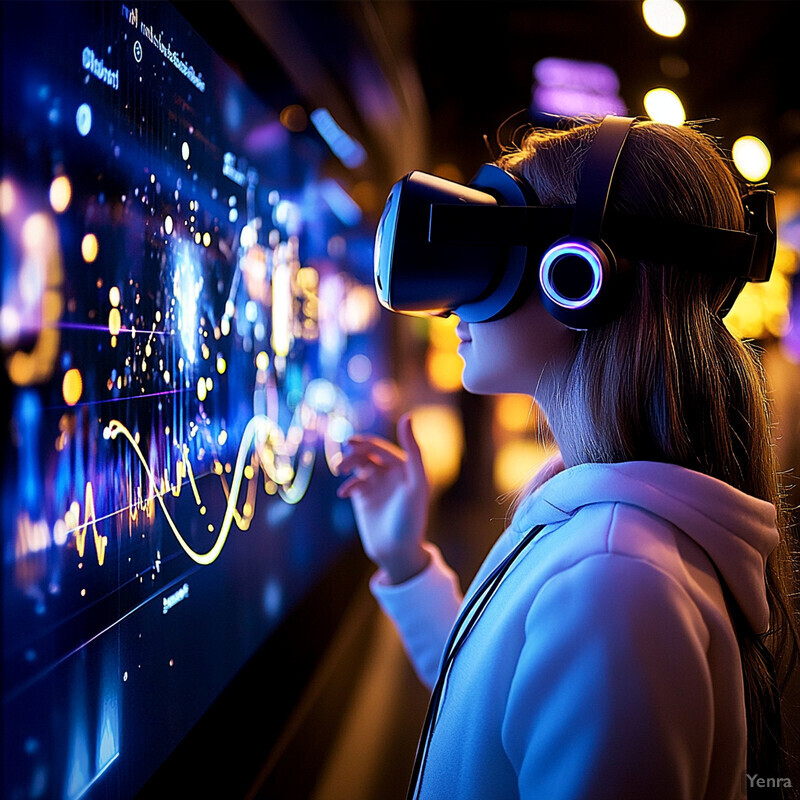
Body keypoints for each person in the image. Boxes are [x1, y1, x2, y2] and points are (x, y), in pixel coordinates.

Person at [336, 117, 799, 800]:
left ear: (576, 276)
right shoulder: (599, 538)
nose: (454, 302)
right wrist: (406, 563)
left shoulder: (617, 579)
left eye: (496, 250)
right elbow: (494, 708)